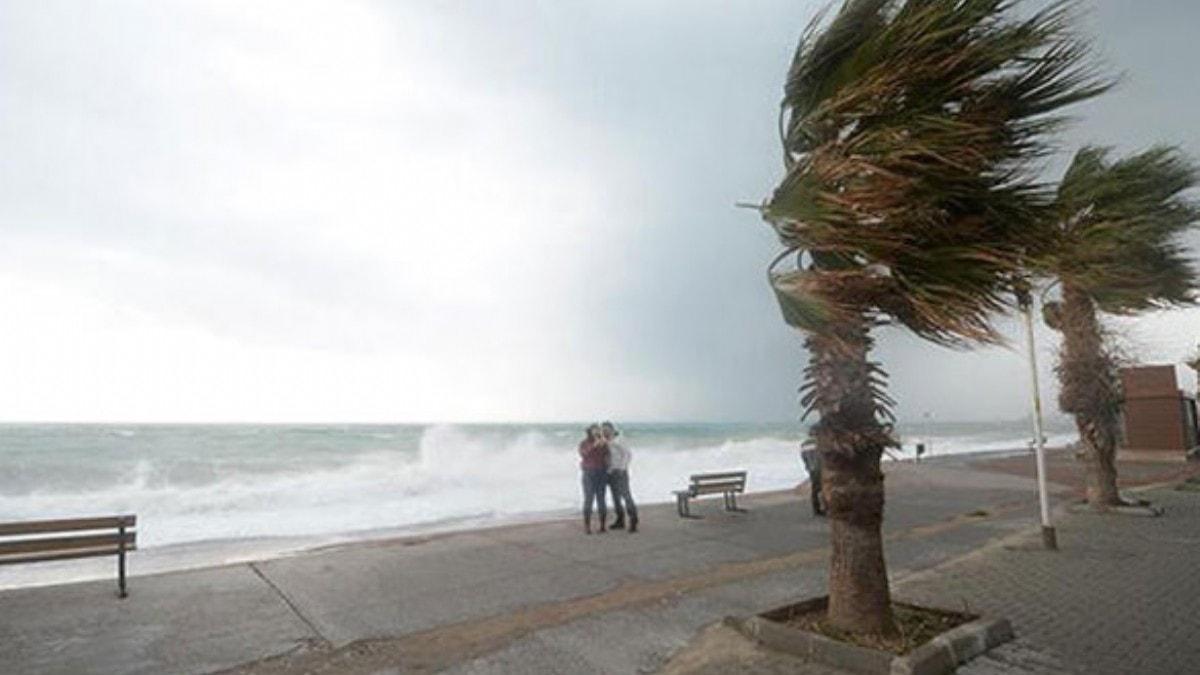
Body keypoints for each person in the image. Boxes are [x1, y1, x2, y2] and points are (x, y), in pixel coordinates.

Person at [601, 421, 638, 533]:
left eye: (607, 429)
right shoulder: (607, 441)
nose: (605, 431)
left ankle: (633, 520)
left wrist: (622, 468)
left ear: (612, 429)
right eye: (603, 430)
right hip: (611, 473)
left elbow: (628, 455)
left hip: (620, 472)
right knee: (615, 498)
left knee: (626, 496)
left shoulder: (619, 440)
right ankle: (620, 520)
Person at [578, 424, 610, 534]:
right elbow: (583, 454)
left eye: (598, 430)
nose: (597, 432)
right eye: (594, 430)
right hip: (589, 473)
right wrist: (594, 446)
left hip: (601, 473)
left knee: (601, 499)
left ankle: (602, 526)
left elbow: (607, 456)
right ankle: (587, 527)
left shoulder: (603, 443)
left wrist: (605, 445)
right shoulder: (584, 443)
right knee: (589, 499)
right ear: (589, 432)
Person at [800, 446, 826, 517]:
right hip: (818, 466)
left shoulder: (805, 444)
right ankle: (825, 508)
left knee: (815, 488)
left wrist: (808, 467)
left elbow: (805, 460)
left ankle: (816, 509)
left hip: (811, 466)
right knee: (822, 486)